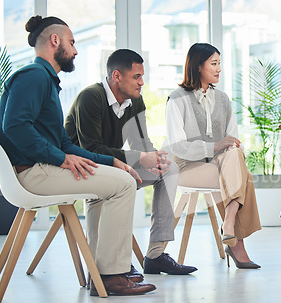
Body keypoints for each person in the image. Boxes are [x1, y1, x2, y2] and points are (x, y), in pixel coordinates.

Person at [0, 15, 156, 296]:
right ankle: (111, 275)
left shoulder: (45, 81)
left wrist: (112, 160)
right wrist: (59, 158)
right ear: (55, 41)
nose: (76, 50)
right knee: (124, 184)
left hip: (38, 168)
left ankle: (103, 269)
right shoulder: (34, 77)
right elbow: (15, 126)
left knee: (118, 176)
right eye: (72, 42)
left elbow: (64, 144)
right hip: (33, 172)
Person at [65, 49, 197, 275]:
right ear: (117, 76)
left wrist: (154, 158)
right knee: (112, 184)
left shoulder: (135, 101)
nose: (141, 82)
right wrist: (139, 157)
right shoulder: (91, 98)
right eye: (136, 77)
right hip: (82, 169)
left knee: (169, 170)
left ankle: (155, 254)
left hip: (115, 169)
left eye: (142, 76)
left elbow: (141, 142)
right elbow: (91, 150)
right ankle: (104, 268)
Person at [165, 43, 261, 269]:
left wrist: (226, 146)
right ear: (198, 66)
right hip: (185, 165)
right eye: (214, 64)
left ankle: (228, 226)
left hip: (220, 162)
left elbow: (231, 138)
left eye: (220, 64)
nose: (219, 69)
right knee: (243, 176)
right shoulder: (177, 99)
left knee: (234, 153)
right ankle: (235, 243)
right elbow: (178, 146)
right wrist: (214, 147)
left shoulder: (224, 99)